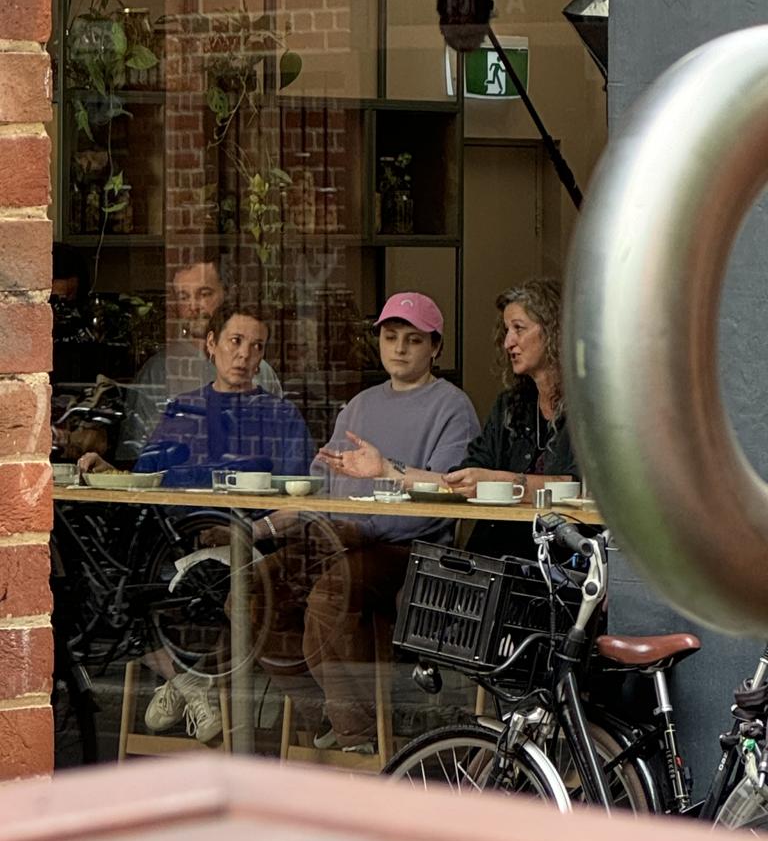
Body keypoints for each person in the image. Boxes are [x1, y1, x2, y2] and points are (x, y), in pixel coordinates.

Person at [78, 302, 316, 743]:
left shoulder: (280, 416)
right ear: (211, 345)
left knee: (167, 589)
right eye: (235, 341)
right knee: (105, 585)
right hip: (174, 549)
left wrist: (248, 532)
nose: (244, 355)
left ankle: (188, 684)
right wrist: (105, 468)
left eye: (256, 346)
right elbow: (147, 481)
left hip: (246, 552)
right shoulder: (184, 411)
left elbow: (300, 506)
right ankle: (190, 684)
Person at [256, 292, 481, 751]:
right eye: (390, 336)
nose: (399, 348)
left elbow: (446, 491)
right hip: (334, 537)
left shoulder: (452, 407)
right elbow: (321, 478)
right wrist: (279, 520)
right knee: (252, 589)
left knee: (330, 596)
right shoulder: (359, 404)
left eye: (413, 340)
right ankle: (323, 710)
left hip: (404, 550)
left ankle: (357, 738)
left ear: (435, 347)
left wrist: (363, 525)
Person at [327, 279, 577, 558]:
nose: (508, 342)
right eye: (506, 330)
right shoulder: (510, 406)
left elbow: (579, 489)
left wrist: (499, 482)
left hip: (561, 566)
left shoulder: (588, 411)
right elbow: (456, 484)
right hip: (494, 563)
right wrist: (386, 469)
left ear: (555, 331)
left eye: (518, 328)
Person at [116, 255, 282, 460]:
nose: (193, 307)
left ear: (227, 294)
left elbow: (278, 450)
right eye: (184, 296)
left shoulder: (260, 370)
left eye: (204, 294)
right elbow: (137, 456)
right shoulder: (159, 371)